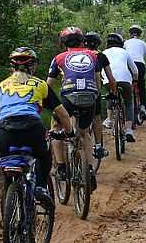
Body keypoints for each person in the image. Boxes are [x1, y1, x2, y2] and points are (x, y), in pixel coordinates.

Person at [0, 47, 73, 210]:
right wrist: (69, 132)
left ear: (12, 67)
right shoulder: (40, 84)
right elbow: (62, 114)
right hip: (32, 129)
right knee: (44, 155)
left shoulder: (2, 86)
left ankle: (8, 211)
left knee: (8, 170)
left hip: (3, 132)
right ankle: (41, 187)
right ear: (33, 66)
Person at [47, 26, 101, 190]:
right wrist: (94, 97)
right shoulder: (93, 55)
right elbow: (98, 81)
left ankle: (62, 168)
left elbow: (48, 86)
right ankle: (90, 171)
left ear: (63, 42)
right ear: (82, 41)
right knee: (84, 133)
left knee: (55, 127)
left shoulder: (59, 58)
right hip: (90, 98)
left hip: (68, 98)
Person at [84, 31, 117, 159]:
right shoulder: (101, 56)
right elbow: (110, 78)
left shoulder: (77, 55)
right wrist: (113, 92)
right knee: (96, 117)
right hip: (93, 90)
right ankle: (98, 146)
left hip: (72, 90)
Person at [102, 33, 138, 142]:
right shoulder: (125, 52)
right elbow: (135, 71)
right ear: (121, 43)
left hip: (108, 80)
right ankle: (128, 130)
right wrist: (135, 80)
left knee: (111, 95)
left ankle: (109, 119)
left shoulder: (103, 53)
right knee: (128, 101)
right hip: (125, 80)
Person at [123, 25, 146, 120]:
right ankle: (143, 107)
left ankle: (128, 106)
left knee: (129, 85)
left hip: (128, 64)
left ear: (130, 34)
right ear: (139, 34)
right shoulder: (142, 43)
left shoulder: (126, 42)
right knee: (141, 86)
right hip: (140, 65)